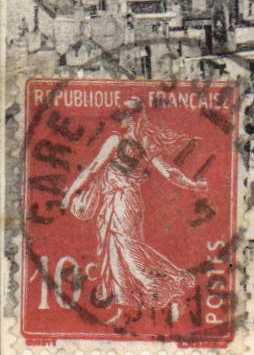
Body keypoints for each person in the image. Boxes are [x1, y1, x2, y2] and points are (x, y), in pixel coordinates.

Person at [61, 98, 209, 325]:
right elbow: (170, 173)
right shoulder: (144, 142)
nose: (128, 119)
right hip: (121, 202)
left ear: (133, 117)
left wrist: (69, 195)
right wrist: (193, 185)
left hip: (123, 202)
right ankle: (129, 306)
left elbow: (93, 169)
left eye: (129, 115)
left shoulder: (119, 140)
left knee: (128, 252)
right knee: (118, 253)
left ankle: (168, 291)